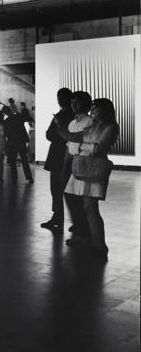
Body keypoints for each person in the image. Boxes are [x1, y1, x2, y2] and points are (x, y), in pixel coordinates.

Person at [62, 98, 119, 261]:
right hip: (83, 165)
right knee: (87, 206)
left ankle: (99, 245)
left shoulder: (111, 127)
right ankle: (94, 242)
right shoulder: (92, 125)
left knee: (91, 206)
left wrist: (79, 146)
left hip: (94, 168)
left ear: (105, 110)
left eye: (96, 108)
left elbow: (99, 147)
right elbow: (75, 140)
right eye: (92, 107)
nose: (92, 110)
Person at [55, 91, 94, 243]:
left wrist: (60, 129)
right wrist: (66, 165)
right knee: (70, 194)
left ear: (86, 104)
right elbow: (69, 146)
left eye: (76, 102)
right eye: (72, 102)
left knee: (81, 197)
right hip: (72, 160)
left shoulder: (90, 121)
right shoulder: (72, 123)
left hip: (84, 162)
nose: (73, 105)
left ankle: (84, 230)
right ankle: (79, 226)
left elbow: (77, 138)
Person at [40, 88, 74, 230]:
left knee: (58, 189)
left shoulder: (61, 116)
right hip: (64, 154)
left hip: (59, 155)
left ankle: (58, 218)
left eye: (61, 97)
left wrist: (57, 132)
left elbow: (50, 134)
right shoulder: (70, 115)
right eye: (58, 97)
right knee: (65, 190)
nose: (59, 100)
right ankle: (69, 219)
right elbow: (50, 134)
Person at [2, 105, 33, 183]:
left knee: (12, 161)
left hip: (12, 142)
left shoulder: (6, 121)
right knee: (24, 160)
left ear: (4, 113)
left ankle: (14, 178)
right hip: (21, 141)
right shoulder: (18, 116)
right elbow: (29, 119)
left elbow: (5, 134)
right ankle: (29, 177)